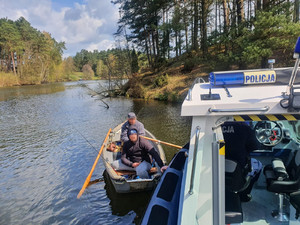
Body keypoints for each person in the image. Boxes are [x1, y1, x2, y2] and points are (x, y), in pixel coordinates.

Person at [222, 121, 262, 202]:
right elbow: (254, 147)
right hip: (238, 175)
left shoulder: (214, 125)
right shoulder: (244, 127)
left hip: (214, 170)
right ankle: (244, 195)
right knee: (259, 165)